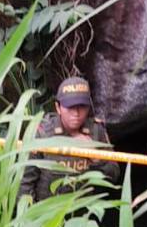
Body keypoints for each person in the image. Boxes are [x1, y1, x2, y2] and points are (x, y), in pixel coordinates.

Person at [20, 76, 121, 204]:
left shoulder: (96, 132)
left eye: (82, 107)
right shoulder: (41, 133)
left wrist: (95, 157)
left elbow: (114, 175)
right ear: (58, 107)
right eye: (70, 107)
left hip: (83, 213)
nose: (76, 113)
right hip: (47, 213)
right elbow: (24, 183)